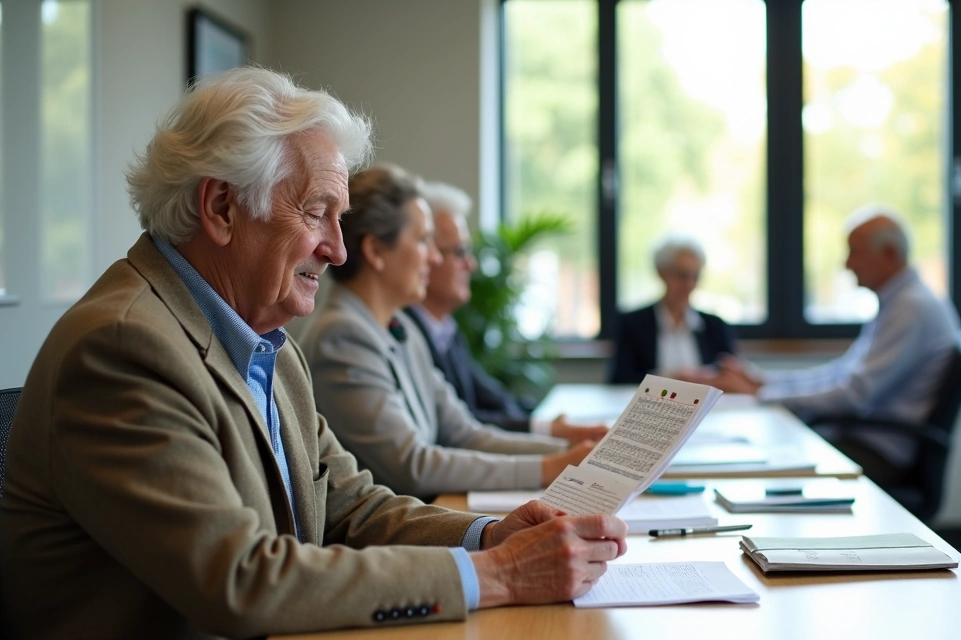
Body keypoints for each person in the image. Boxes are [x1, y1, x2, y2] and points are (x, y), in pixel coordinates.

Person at [0, 68, 627, 639]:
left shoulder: (265, 340)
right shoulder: (123, 347)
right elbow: (240, 581)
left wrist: (489, 536)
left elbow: (348, 507)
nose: (338, 249)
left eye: (341, 218)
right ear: (220, 207)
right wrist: (499, 575)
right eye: (317, 213)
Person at [298, 166, 603, 499]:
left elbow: (467, 434)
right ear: (375, 251)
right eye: (423, 240)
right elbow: (413, 466)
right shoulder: (342, 336)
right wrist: (550, 466)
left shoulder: (401, 328)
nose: (433, 256)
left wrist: (569, 450)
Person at [708, 207, 961, 488]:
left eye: (855, 252)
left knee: (769, 458)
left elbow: (853, 394)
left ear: (888, 254)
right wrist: (763, 381)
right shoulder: (900, 302)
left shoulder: (911, 309)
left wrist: (764, 394)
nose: (847, 264)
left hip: (879, 451)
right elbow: (840, 373)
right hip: (863, 438)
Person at [404, 181, 605, 438]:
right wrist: (547, 429)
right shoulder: (407, 332)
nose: (471, 265)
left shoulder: (444, 328)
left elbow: (493, 397)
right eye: (460, 251)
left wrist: (547, 421)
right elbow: (461, 425)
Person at [608, 235, 737, 384]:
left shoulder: (715, 326)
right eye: (682, 275)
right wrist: (671, 378)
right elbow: (620, 380)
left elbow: (730, 376)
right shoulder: (632, 324)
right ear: (662, 273)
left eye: (695, 276)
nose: (689, 284)